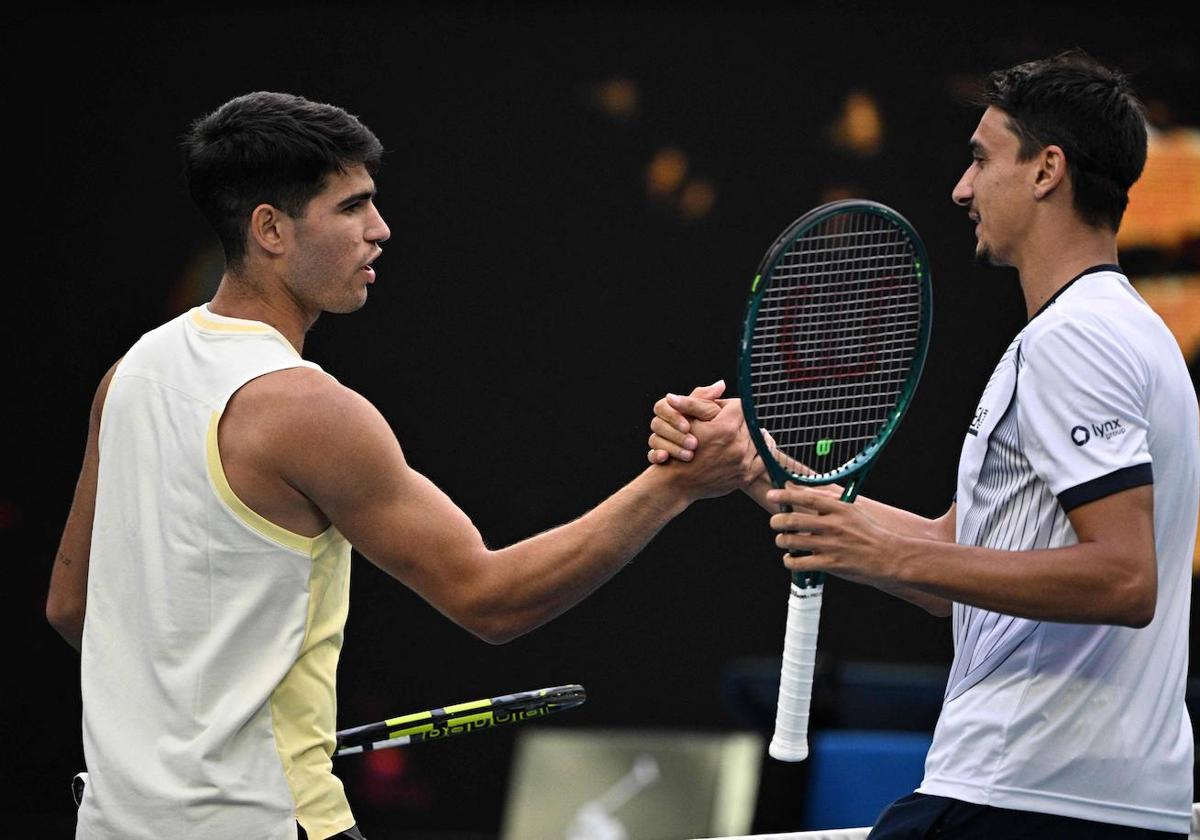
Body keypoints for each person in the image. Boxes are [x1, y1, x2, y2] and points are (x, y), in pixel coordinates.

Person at [45, 91, 762, 840]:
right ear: (270, 230)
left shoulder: (130, 374)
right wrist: (674, 484)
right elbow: (492, 600)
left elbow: (71, 606)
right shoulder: (309, 411)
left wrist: (185, 728)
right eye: (352, 208)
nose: (380, 231)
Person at [650, 51, 1197, 838]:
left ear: (1047, 170)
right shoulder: (1123, 334)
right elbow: (955, 560)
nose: (961, 188)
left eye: (980, 159)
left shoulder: (1077, 341)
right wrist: (758, 464)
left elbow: (1122, 578)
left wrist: (879, 553)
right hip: (1096, 800)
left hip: (1023, 792)